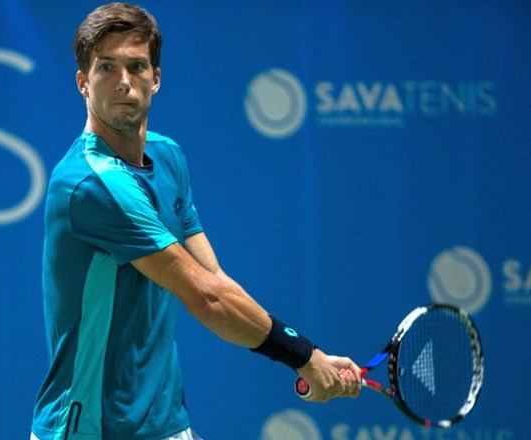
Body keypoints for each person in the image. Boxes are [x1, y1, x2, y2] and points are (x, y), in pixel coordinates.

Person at [31, 3, 361, 439]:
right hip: (90, 429)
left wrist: (311, 354)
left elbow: (215, 280)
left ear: (157, 78)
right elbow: (207, 298)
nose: (124, 82)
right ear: (83, 84)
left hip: (166, 423)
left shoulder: (167, 156)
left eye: (137, 66)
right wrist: (302, 355)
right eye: (106, 68)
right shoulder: (91, 184)